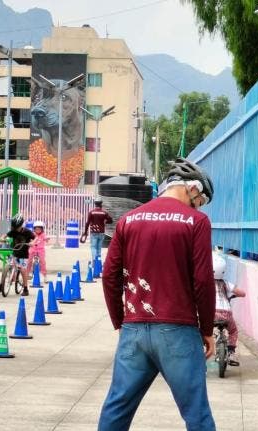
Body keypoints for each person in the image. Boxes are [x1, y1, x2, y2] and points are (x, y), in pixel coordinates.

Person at [99, 157, 217, 431]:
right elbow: (202, 280)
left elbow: (109, 275)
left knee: (116, 409)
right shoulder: (196, 222)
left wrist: (121, 321)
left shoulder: (129, 220)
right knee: (197, 414)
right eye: (199, 200)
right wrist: (207, 329)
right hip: (178, 331)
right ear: (193, 188)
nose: (198, 206)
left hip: (134, 330)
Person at [212, 253, 245, 366]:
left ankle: (203, 349)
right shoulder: (226, 283)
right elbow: (242, 293)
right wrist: (236, 294)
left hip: (211, 313)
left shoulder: (206, 283)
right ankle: (231, 352)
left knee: (202, 330)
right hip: (226, 313)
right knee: (233, 331)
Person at [0, 214, 35, 296]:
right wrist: (2, 238)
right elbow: (5, 235)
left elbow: (35, 238)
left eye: (17, 227)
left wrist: (32, 242)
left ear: (21, 225)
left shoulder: (27, 232)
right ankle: (2, 284)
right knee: (6, 267)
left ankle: (25, 289)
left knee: (22, 270)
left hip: (23, 255)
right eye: (14, 227)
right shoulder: (13, 231)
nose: (15, 229)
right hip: (14, 252)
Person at [80, 197, 112, 262]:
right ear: (101, 204)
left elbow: (87, 223)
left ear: (95, 204)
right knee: (99, 248)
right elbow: (111, 220)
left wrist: (85, 232)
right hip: (101, 232)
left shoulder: (91, 212)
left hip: (94, 232)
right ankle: (98, 262)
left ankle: (94, 260)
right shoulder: (104, 213)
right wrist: (105, 222)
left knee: (93, 247)